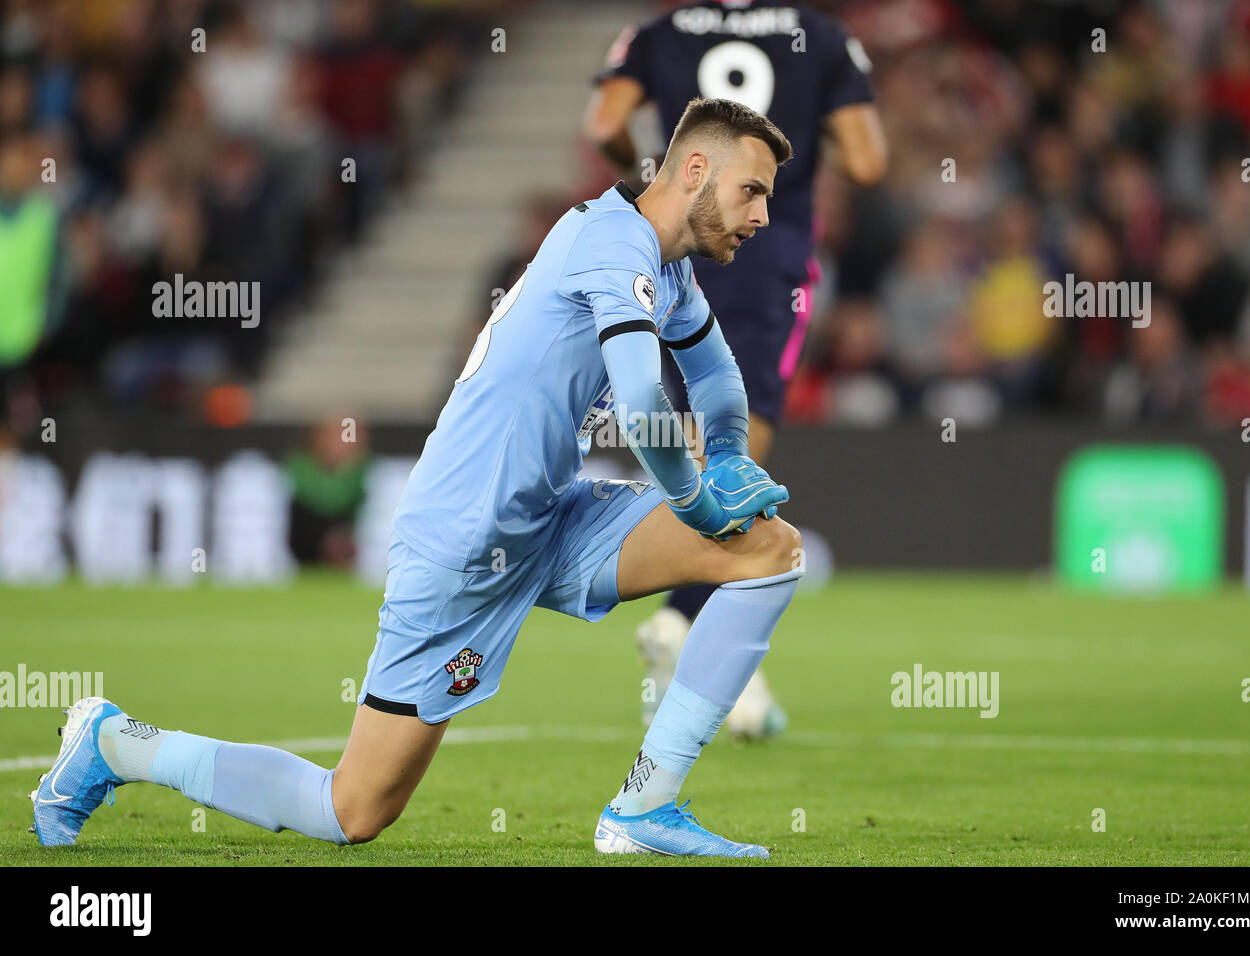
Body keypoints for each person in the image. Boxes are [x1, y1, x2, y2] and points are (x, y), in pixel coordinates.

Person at [31, 98, 803, 858]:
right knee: (352, 810)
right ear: (694, 168)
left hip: (550, 517)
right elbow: (640, 406)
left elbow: (717, 380)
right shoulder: (613, 244)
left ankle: (644, 808)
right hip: (465, 535)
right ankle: (115, 744)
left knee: (767, 547)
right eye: (753, 190)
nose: (763, 214)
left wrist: (730, 455)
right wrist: (698, 500)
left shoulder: (665, 270)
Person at [583, 0, 888, 735]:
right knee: (743, 430)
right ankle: (687, 612)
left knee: (695, 420)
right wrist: (803, 134)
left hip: (681, 240)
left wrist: (643, 175)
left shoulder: (661, 31)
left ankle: (716, 645)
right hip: (768, 248)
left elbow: (603, 124)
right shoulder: (820, 35)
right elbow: (869, 159)